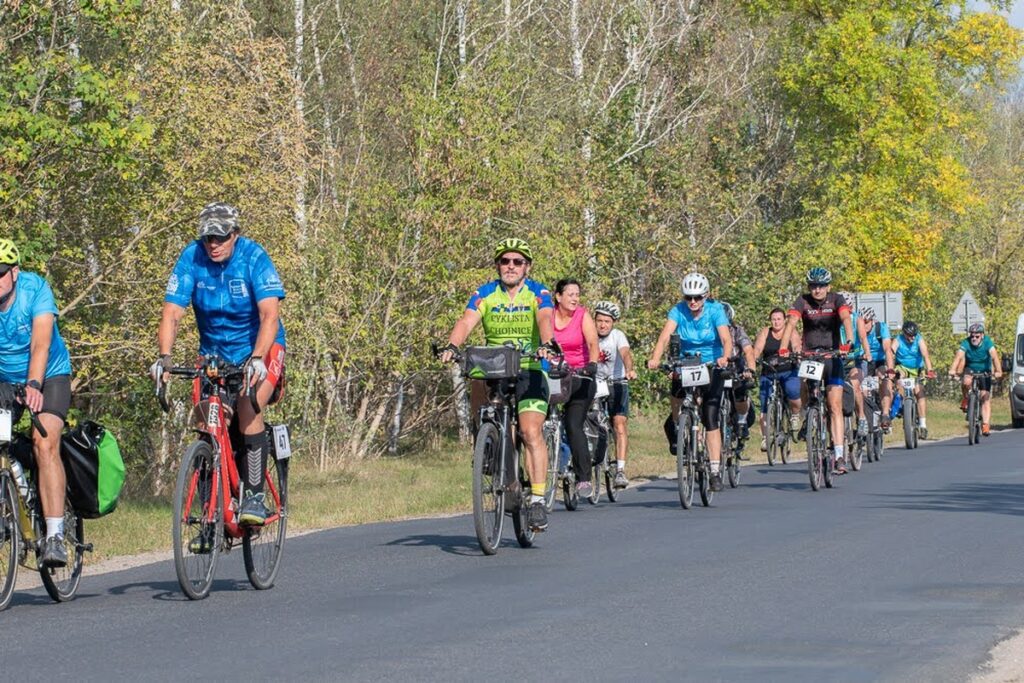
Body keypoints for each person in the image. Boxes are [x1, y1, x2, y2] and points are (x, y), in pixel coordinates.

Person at [152, 202, 287, 530]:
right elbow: (171, 313)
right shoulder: (191, 257)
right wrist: (164, 358)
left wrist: (256, 358)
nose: (213, 244)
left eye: (220, 237)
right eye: (208, 238)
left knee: (247, 404)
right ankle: (210, 515)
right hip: (213, 355)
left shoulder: (254, 257)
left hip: (261, 348)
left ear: (235, 234)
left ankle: (254, 494)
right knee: (207, 421)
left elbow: (270, 315)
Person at [439, 238, 555, 531]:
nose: (511, 266)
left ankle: (538, 499)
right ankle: (487, 446)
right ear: (498, 265)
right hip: (495, 367)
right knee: (476, 378)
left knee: (530, 431)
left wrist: (546, 343)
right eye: (505, 261)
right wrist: (452, 345)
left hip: (529, 367)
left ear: (526, 267)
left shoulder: (537, 292)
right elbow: (466, 321)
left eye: (517, 262)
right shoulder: (486, 293)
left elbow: (544, 318)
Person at [0, 240, 73, 567]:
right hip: (4, 381)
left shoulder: (35, 290)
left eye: (0, 274)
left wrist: (33, 384)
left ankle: (56, 535)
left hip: (48, 376)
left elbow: (41, 346)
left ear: (14, 272)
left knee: (44, 441)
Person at [647, 272, 732, 492]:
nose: (692, 302)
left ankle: (714, 470)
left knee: (710, 415)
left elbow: (725, 338)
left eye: (697, 297)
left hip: (711, 363)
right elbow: (665, 336)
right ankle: (680, 425)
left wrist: (725, 356)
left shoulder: (715, 310)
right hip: (686, 362)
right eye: (688, 298)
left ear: (706, 296)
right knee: (676, 392)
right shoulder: (678, 310)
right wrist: (656, 357)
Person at [779, 267, 855, 474]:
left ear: (828, 286)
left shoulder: (836, 299)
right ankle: (808, 413)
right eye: (813, 286)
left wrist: (848, 341)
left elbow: (846, 319)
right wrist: (783, 347)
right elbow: (791, 322)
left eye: (821, 286)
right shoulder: (802, 301)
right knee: (803, 383)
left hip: (833, 355)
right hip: (810, 354)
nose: (817, 289)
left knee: (834, 406)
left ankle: (839, 455)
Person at [551, 279, 600, 498]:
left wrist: (592, 364)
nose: (574, 298)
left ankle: (583, 479)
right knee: (534, 420)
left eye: (577, 294)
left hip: (580, 376)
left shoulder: (582, 315)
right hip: (552, 375)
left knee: (573, 424)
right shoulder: (547, 315)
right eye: (570, 294)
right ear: (558, 297)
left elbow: (592, 343)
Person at [593, 300, 637, 489]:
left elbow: (626, 354)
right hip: (595, 383)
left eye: (607, 321)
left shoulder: (618, 336)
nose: (602, 325)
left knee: (619, 424)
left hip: (616, 382)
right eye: (599, 320)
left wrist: (629, 370)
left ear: (613, 323)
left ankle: (620, 470)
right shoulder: (589, 334)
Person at [753, 308, 802, 451]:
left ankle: (794, 415)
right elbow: (757, 349)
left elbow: (797, 345)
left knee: (793, 392)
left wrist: (796, 355)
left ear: (784, 320)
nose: (776, 322)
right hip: (769, 372)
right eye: (773, 319)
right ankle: (765, 437)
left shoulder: (790, 331)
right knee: (764, 404)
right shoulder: (765, 332)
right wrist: (754, 358)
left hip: (788, 371)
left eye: (779, 319)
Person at [949, 322, 1002, 436]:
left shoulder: (988, 342)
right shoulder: (966, 342)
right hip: (970, 368)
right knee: (966, 381)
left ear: (982, 335)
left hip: (984, 370)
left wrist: (998, 371)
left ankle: (986, 425)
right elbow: (958, 356)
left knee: (985, 396)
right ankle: (966, 399)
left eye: (977, 336)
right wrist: (952, 370)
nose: (974, 338)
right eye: (972, 335)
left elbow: (994, 357)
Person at [889, 320, 937, 438]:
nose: (912, 338)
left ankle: (923, 425)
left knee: (919, 392)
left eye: (914, 335)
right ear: (904, 333)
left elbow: (925, 355)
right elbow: (891, 352)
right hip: (903, 367)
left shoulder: (919, 340)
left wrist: (929, 370)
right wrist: (890, 367)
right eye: (909, 336)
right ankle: (901, 405)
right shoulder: (898, 339)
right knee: (899, 379)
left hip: (917, 368)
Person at [838, 294, 875, 438]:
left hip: (855, 359)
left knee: (855, 385)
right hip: (839, 359)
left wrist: (867, 353)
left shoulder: (857, 319)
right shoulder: (834, 320)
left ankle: (861, 418)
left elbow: (862, 337)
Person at [720, 302, 756, 441]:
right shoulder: (708, 332)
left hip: (735, 369)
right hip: (717, 370)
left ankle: (741, 421)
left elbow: (748, 350)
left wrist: (750, 369)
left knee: (740, 391)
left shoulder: (737, 330)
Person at [859, 307, 895, 431]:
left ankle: (885, 414)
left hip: (879, 360)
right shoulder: (857, 330)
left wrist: (890, 369)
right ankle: (863, 418)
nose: (864, 325)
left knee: (885, 380)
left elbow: (887, 350)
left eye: (866, 322)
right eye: (861, 322)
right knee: (861, 387)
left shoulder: (881, 328)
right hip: (863, 360)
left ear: (872, 321)